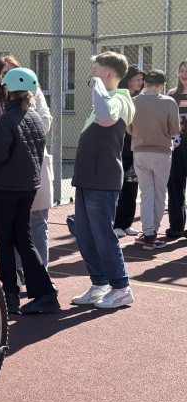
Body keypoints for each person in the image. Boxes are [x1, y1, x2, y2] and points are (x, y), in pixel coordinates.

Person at [0, 67, 59, 315]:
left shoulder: (8, 119)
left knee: (5, 240)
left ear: (7, 89)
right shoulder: (33, 116)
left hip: (9, 186)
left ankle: (10, 294)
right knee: (23, 237)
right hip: (28, 185)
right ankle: (44, 293)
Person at [71, 51, 135, 309]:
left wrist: (99, 89)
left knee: (103, 235)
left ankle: (121, 288)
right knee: (85, 235)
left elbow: (107, 119)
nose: (90, 76)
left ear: (109, 74)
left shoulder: (119, 99)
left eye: (94, 71)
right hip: (87, 178)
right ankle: (100, 284)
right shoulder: (105, 99)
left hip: (103, 178)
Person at [0, 55, 53, 271]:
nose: (10, 76)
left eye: (14, 71)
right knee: (12, 224)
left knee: (38, 222)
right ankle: (17, 273)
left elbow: (45, 122)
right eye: (4, 73)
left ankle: (41, 272)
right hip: (9, 165)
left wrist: (15, 130)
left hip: (35, 161)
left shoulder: (35, 93)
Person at [128, 69, 180, 249]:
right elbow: (175, 130)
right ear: (162, 85)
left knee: (146, 194)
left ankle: (147, 231)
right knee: (159, 194)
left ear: (144, 84)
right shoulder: (168, 102)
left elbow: (129, 129)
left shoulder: (134, 101)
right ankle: (152, 234)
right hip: (161, 153)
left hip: (140, 152)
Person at [113, 65, 145, 238]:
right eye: (138, 79)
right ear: (129, 80)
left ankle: (127, 224)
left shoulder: (141, 99)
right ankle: (117, 224)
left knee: (132, 186)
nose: (141, 82)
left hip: (135, 149)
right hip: (119, 149)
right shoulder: (120, 97)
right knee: (119, 188)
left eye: (142, 79)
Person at [166, 58, 187, 239]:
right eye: (181, 70)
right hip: (177, 143)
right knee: (174, 186)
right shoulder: (172, 94)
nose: (184, 74)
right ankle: (176, 225)